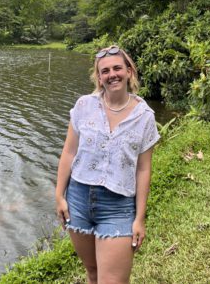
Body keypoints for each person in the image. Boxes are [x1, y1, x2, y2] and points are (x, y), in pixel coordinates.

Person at [56, 45, 160, 284]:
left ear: (129, 71)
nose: (112, 74)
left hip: (118, 206)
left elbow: (143, 169)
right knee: (92, 272)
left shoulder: (144, 117)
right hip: (79, 200)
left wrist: (139, 218)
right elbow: (69, 152)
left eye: (117, 68)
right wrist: (59, 195)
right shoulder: (84, 106)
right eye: (105, 71)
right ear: (99, 77)